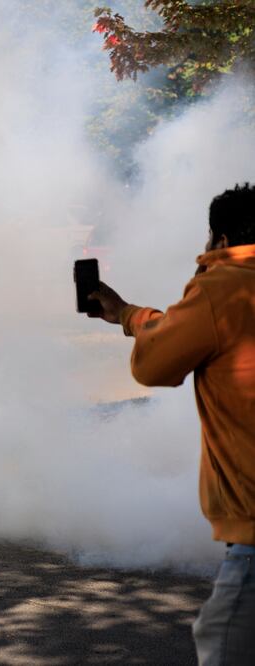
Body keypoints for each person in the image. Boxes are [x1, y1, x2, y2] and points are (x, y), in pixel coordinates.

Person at [91, 184, 255, 665]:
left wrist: (126, 314)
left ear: (220, 238)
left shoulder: (224, 286)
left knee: (223, 646)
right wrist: (132, 315)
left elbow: (155, 365)